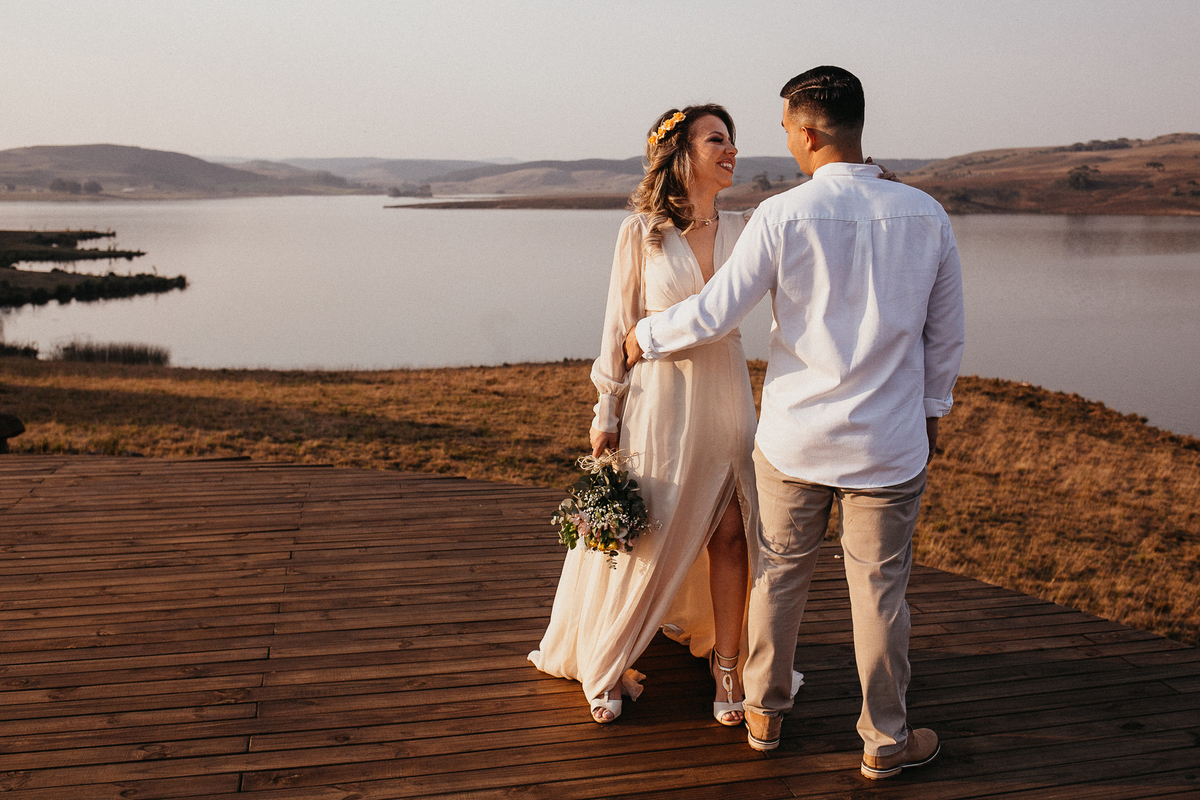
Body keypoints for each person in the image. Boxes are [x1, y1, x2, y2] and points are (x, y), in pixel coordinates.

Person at [626, 66, 965, 780]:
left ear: (807, 133)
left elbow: (718, 312)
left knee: (779, 577)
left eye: (784, 127)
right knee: (879, 592)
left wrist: (643, 338)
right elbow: (945, 338)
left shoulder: (783, 216)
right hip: (888, 445)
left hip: (795, 440)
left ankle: (764, 716)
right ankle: (885, 743)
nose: (782, 138)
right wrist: (933, 416)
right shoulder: (927, 216)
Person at [529, 104, 765, 726]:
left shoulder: (749, 228)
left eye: (732, 139)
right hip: (660, 402)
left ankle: (729, 666)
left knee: (732, 533)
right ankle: (612, 655)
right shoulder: (642, 232)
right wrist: (606, 405)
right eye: (716, 139)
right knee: (648, 533)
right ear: (680, 155)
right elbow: (616, 324)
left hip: (727, 396)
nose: (731, 149)